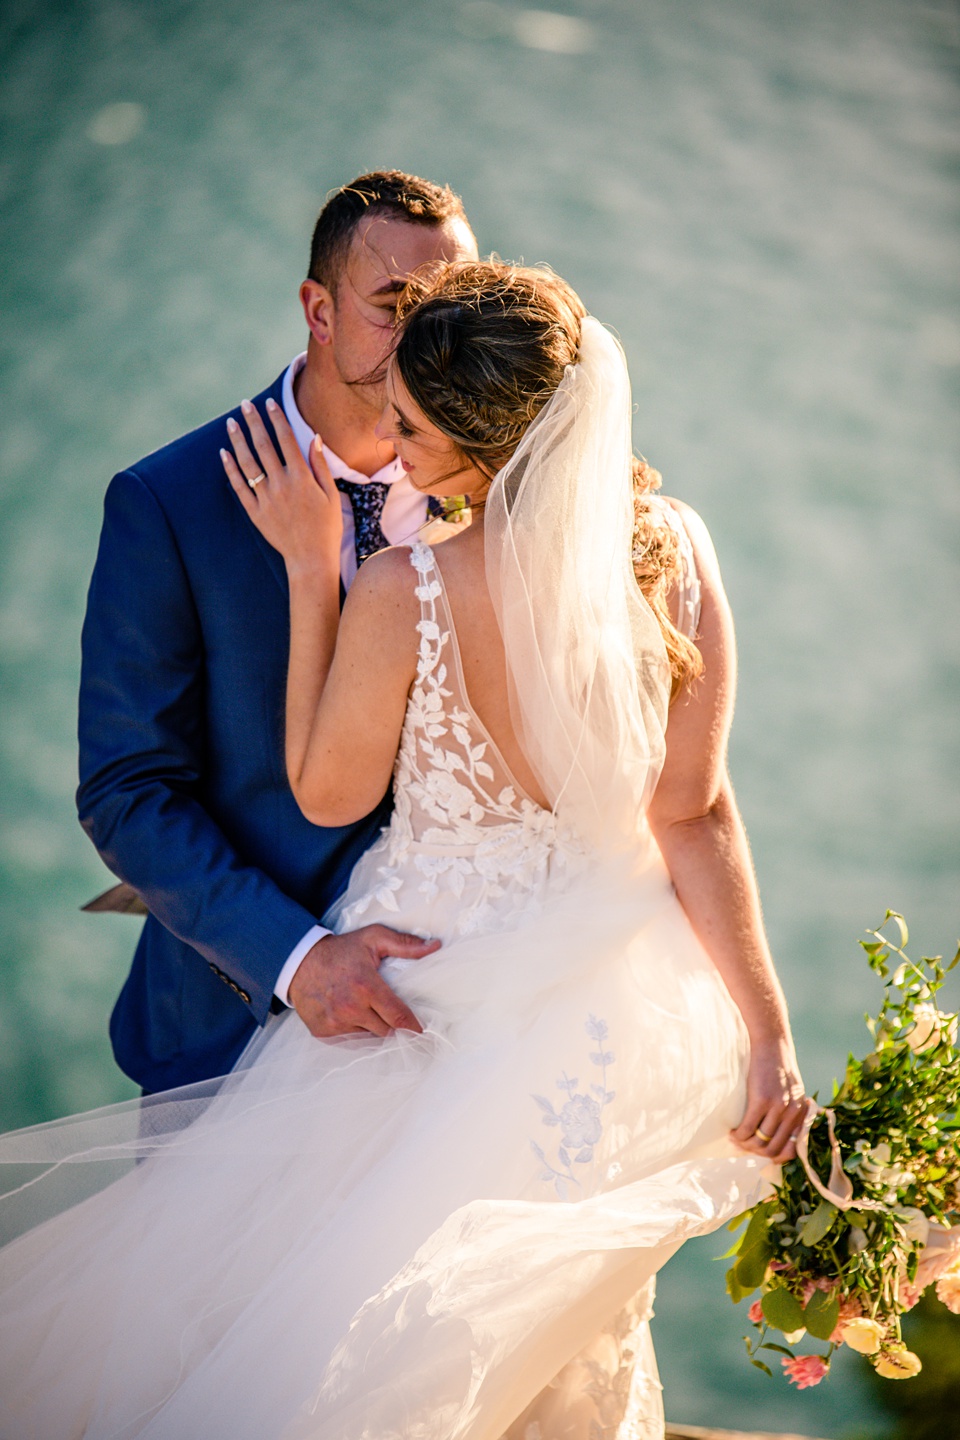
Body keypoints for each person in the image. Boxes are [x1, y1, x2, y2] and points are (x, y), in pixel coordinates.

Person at [0, 262, 805, 1439]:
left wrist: (309, 571)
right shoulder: (677, 553)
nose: (393, 437)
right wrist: (769, 1032)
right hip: (599, 1028)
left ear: (489, 441)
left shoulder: (408, 582)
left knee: (308, 1334)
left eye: (417, 425)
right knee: (534, 1341)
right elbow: (694, 814)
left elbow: (328, 795)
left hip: (417, 995)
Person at [76, 170, 479, 1093]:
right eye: (395, 306)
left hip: (456, 1010)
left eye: (451, 306)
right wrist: (297, 960)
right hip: (237, 1014)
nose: (432, 342)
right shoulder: (170, 503)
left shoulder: (498, 490)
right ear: (319, 309)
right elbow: (128, 791)